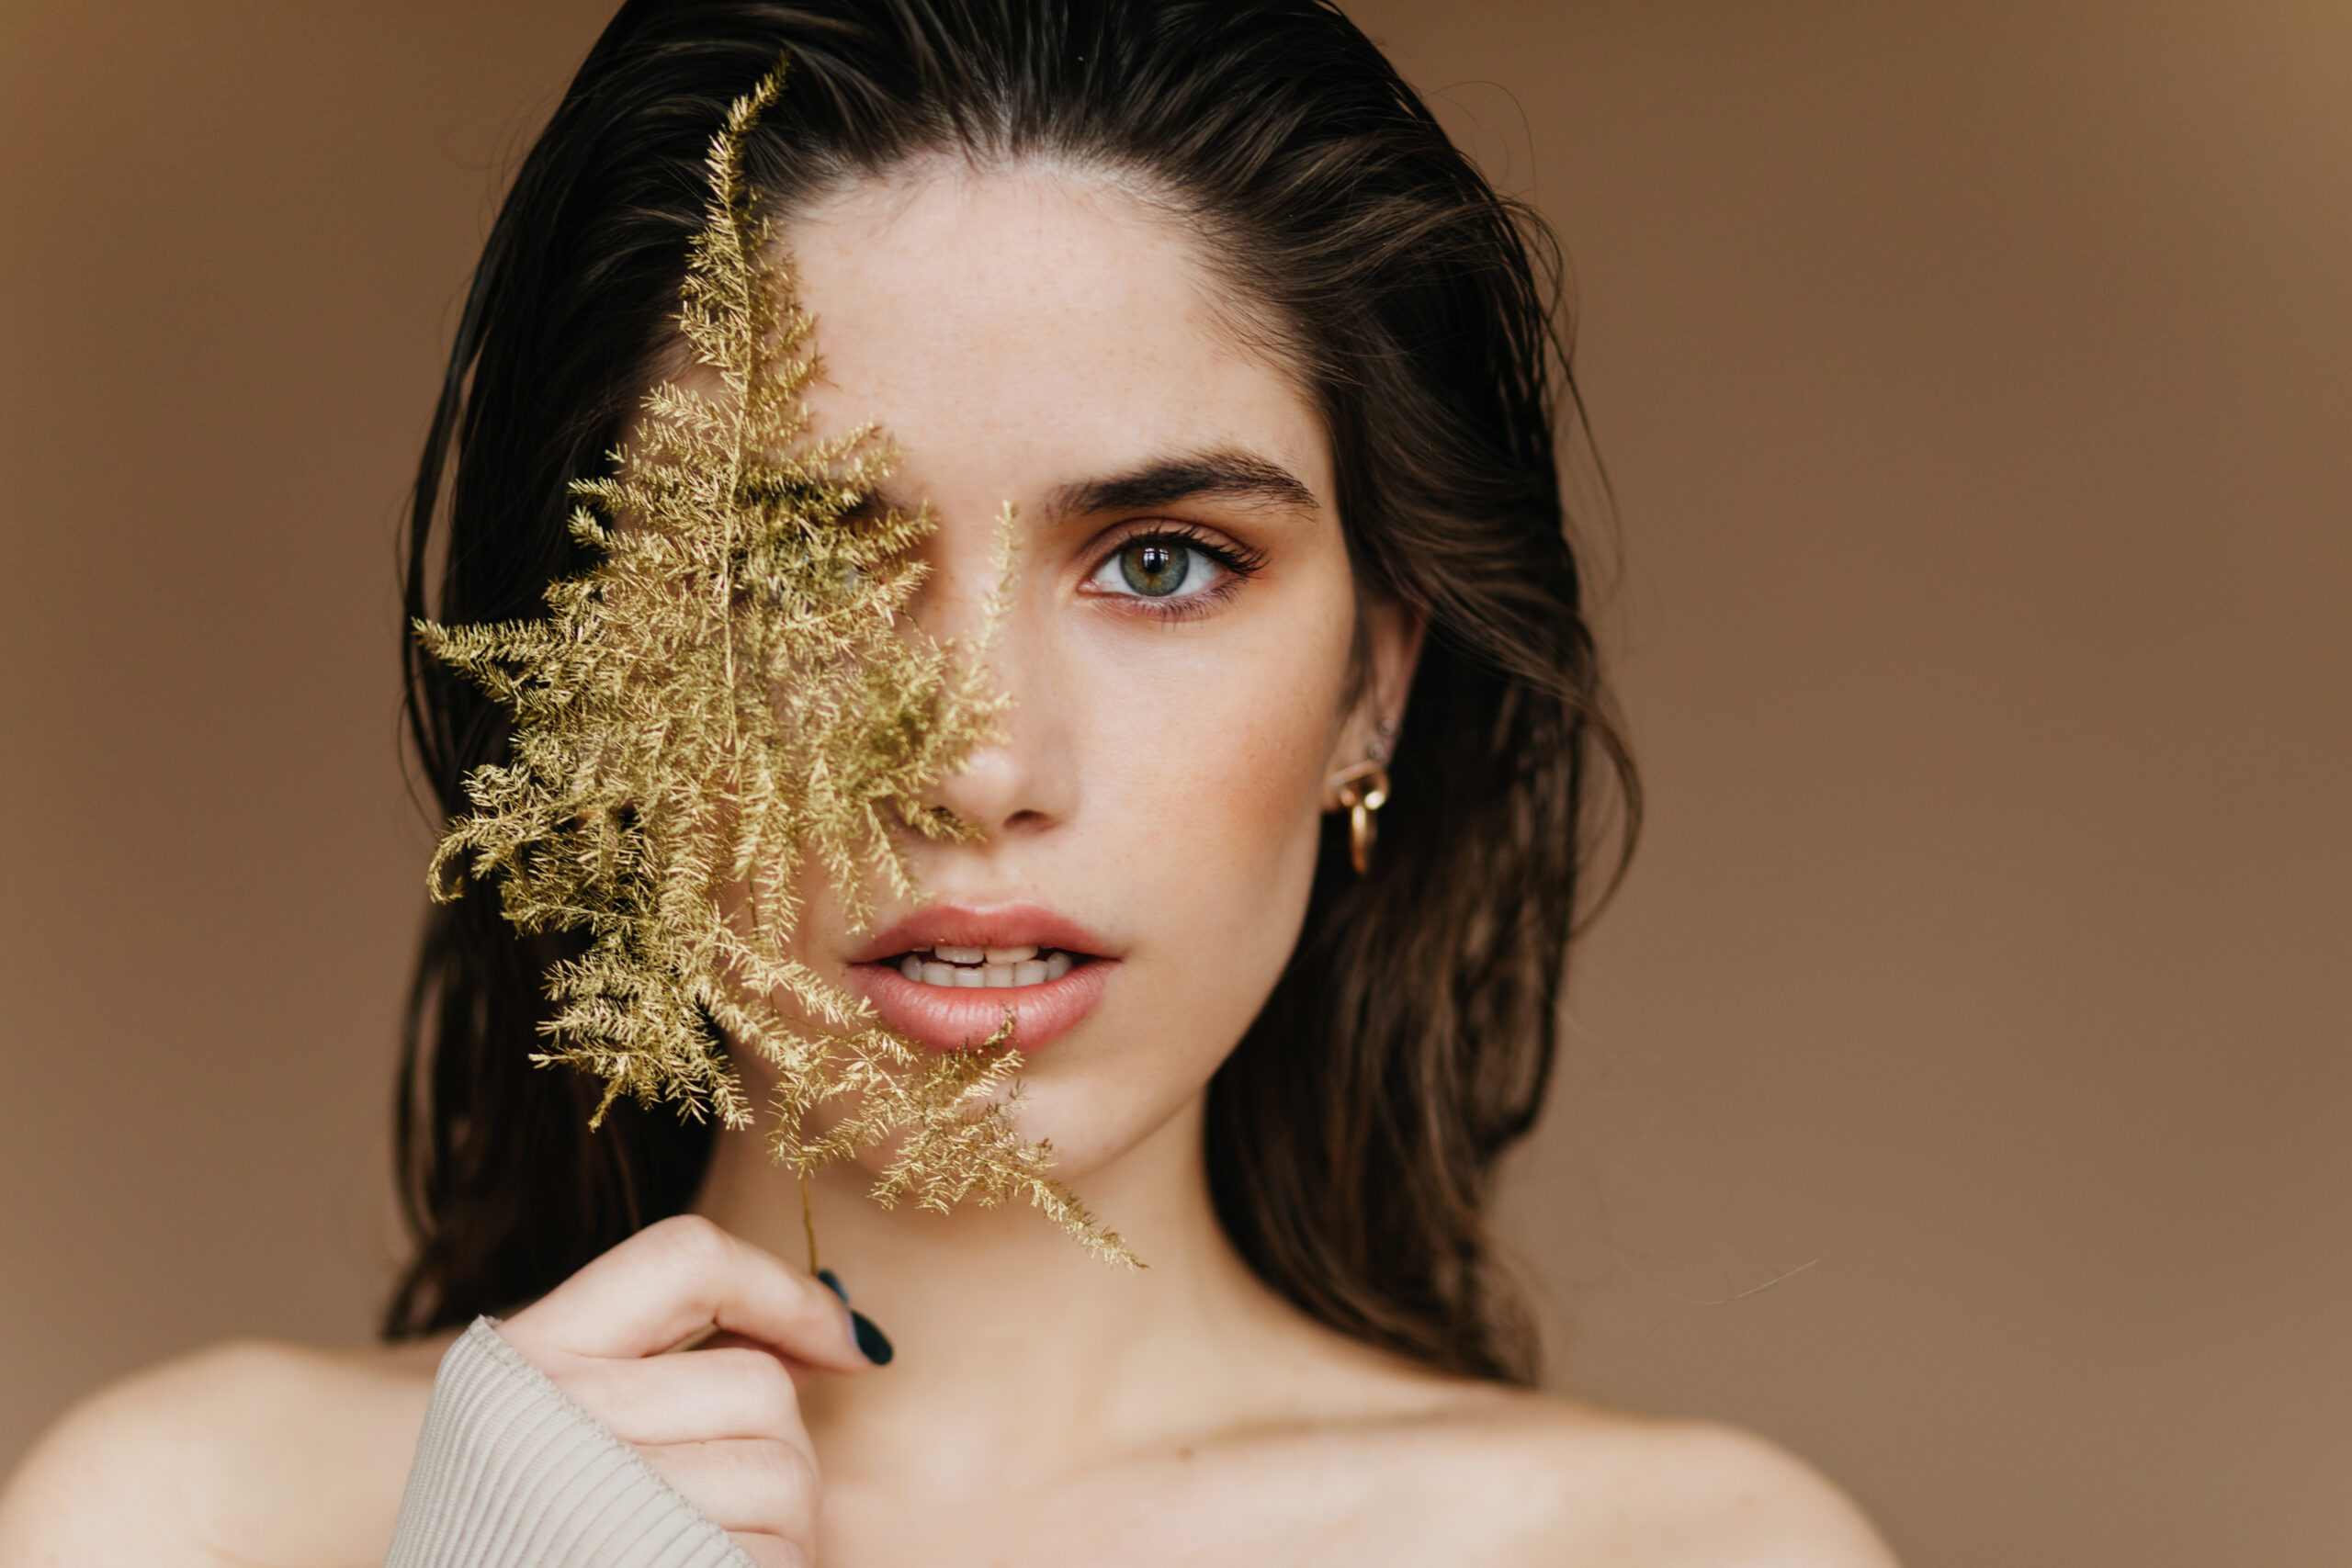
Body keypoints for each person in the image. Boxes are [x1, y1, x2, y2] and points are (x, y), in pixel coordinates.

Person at [0, 2, 1895, 1562]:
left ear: (1370, 685)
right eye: (806, 570)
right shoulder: (187, 1516)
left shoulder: (1688, 1551)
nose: (979, 760)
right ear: (590, 671)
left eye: (1159, 559)